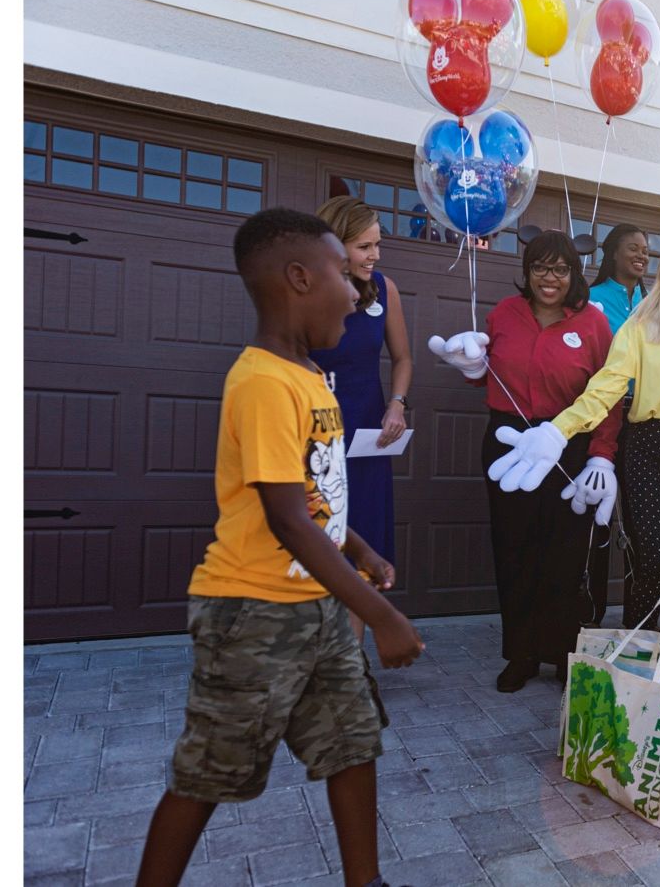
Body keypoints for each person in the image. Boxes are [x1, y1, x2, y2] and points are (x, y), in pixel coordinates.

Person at [135, 208, 423, 887]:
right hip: (251, 611)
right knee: (211, 770)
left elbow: (314, 497)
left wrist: (359, 551)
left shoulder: (308, 376)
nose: (356, 293)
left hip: (317, 603)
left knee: (352, 743)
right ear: (298, 279)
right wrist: (379, 614)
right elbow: (287, 518)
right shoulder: (263, 380)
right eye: (340, 274)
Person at [483, 237, 660, 637]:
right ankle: (637, 650)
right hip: (648, 448)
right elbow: (607, 387)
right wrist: (558, 429)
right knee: (652, 561)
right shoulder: (642, 323)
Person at [427, 232, 622, 693]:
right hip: (509, 443)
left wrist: (601, 456)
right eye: (539, 268)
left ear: (574, 274)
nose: (548, 278)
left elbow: (609, 399)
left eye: (559, 269)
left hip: (565, 444)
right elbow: (487, 374)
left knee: (565, 552)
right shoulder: (503, 315)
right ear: (527, 271)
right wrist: (470, 367)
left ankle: (560, 652)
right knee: (514, 548)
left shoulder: (594, 324)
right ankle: (521, 653)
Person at [308, 197, 413, 644]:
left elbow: (403, 357)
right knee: (317, 542)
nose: (374, 255)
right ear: (335, 245)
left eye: (378, 245)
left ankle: (351, 665)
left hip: (366, 439)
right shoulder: (304, 287)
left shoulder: (385, 289)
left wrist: (397, 403)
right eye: (364, 246)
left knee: (363, 542)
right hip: (312, 434)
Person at [580, 224, 652, 624]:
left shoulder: (654, 303)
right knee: (598, 513)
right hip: (603, 419)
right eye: (633, 248)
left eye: (646, 250)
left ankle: (637, 618)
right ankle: (590, 611)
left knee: (642, 518)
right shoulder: (592, 300)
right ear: (612, 254)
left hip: (643, 420)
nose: (642, 255)